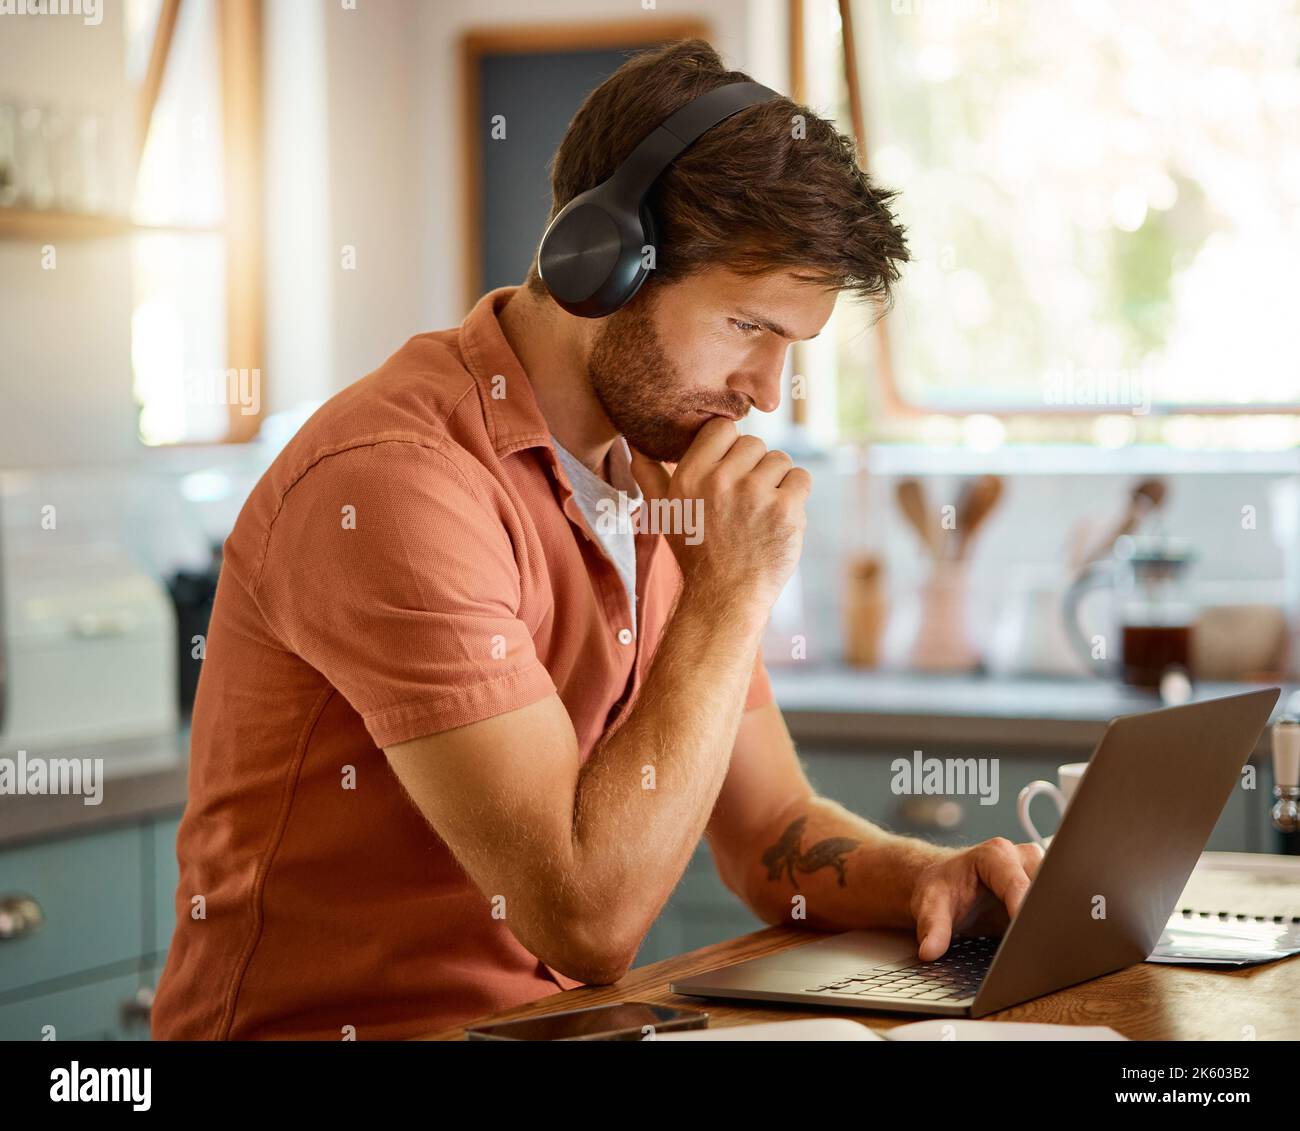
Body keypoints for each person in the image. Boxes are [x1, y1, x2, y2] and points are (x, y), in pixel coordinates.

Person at [152, 38, 1041, 1041]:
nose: (765, 393)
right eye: (748, 327)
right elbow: (586, 919)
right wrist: (728, 592)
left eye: (790, 348)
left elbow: (768, 837)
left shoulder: (662, 470)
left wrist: (925, 877)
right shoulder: (395, 483)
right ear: (602, 264)